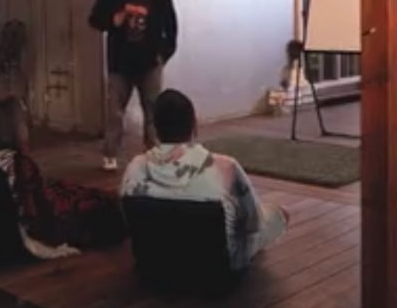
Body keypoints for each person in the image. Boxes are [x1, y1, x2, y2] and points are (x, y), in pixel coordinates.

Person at [120, 89, 288, 270]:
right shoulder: (226, 167)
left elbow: (129, 221)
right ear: (195, 125)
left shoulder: (136, 167)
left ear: (155, 129)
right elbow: (253, 223)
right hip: (216, 272)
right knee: (278, 214)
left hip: (154, 266)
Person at [0, 96, 127, 260]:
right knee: (99, 203)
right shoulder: (18, 163)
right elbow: (38, 210)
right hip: (41, 221)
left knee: (73, 189)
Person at [89, 0, 178, 171]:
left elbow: (172, 28)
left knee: (153, 111)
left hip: (149, 63)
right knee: (115, 112)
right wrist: (114, 20)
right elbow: (94, 20)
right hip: (120, 63)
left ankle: (155, 153)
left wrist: (162, 55)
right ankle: (110, 154)